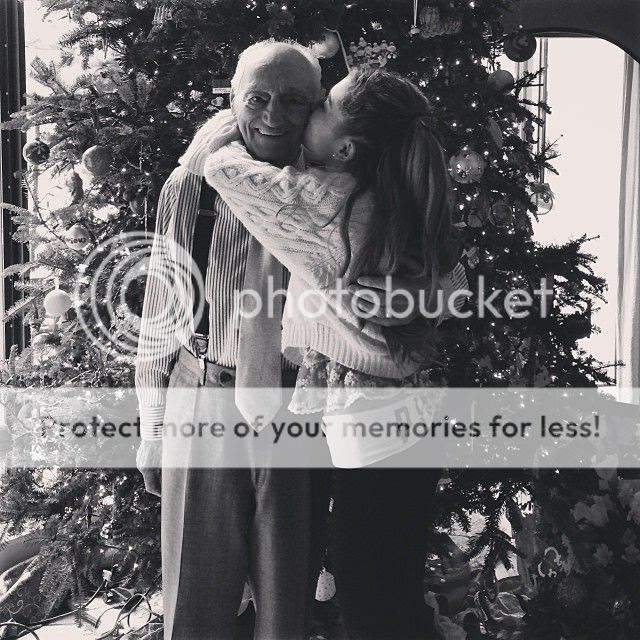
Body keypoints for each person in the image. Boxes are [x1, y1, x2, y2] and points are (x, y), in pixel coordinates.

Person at [135, 41, 452, 640]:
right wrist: (151, 427)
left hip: (300, 407)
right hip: (203, 392)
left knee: (287, 600)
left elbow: (429, 257)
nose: (273, 116)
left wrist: (419, 295)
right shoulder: (191, 187)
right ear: (232, 97)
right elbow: (162, 307)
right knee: (193, 594)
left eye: (297, 101)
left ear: (316, 109)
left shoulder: (342, 188)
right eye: (256, 98)